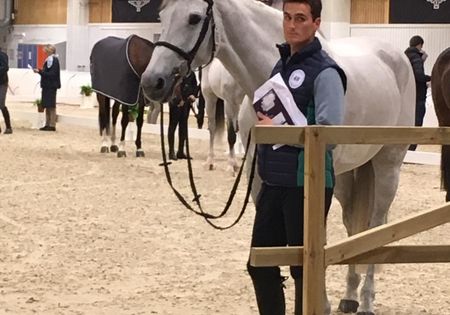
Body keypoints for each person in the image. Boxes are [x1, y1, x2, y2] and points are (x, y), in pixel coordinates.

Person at [246, 1, 346, 314]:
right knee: (259, 263)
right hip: (274, 181)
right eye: (288, 18)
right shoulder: (281, 66)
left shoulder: (327, 72)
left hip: (308, 182)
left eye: (300, 19)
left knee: (304, 270)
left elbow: (328, 134)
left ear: (316, 23)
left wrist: (279, 127)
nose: (292, 25)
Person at [405, 35, 431, 151]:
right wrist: (431, 78)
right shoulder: (416, 57)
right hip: (418, 95)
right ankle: (412, 149)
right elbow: (419, 76)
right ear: (419, 45)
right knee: (417, 122)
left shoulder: (405, 55)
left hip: (408, 94)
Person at [168, 70, 198, 160]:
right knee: (173, 126)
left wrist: (193, 95)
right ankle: (171, 151)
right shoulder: (177, 73)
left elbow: (194, 86)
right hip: (176, 102)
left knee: (183, 127)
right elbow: (174, 87)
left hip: (186, 103)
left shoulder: (191, 74)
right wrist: (179, 99)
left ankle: (180, 151)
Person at [34, 44, 61, 131]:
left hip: (51, 85)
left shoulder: (54, 60)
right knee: (47, 104)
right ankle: (47, 123)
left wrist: (40, 72)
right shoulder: (49, 60)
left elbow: (52, 74)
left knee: (51, 105)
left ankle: (52, 124)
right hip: (47, 85)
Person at [0, 48, 12, 134]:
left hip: (2, 82)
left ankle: (8, 127)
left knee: (1, 104)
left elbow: (5, 67)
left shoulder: (3, 55)